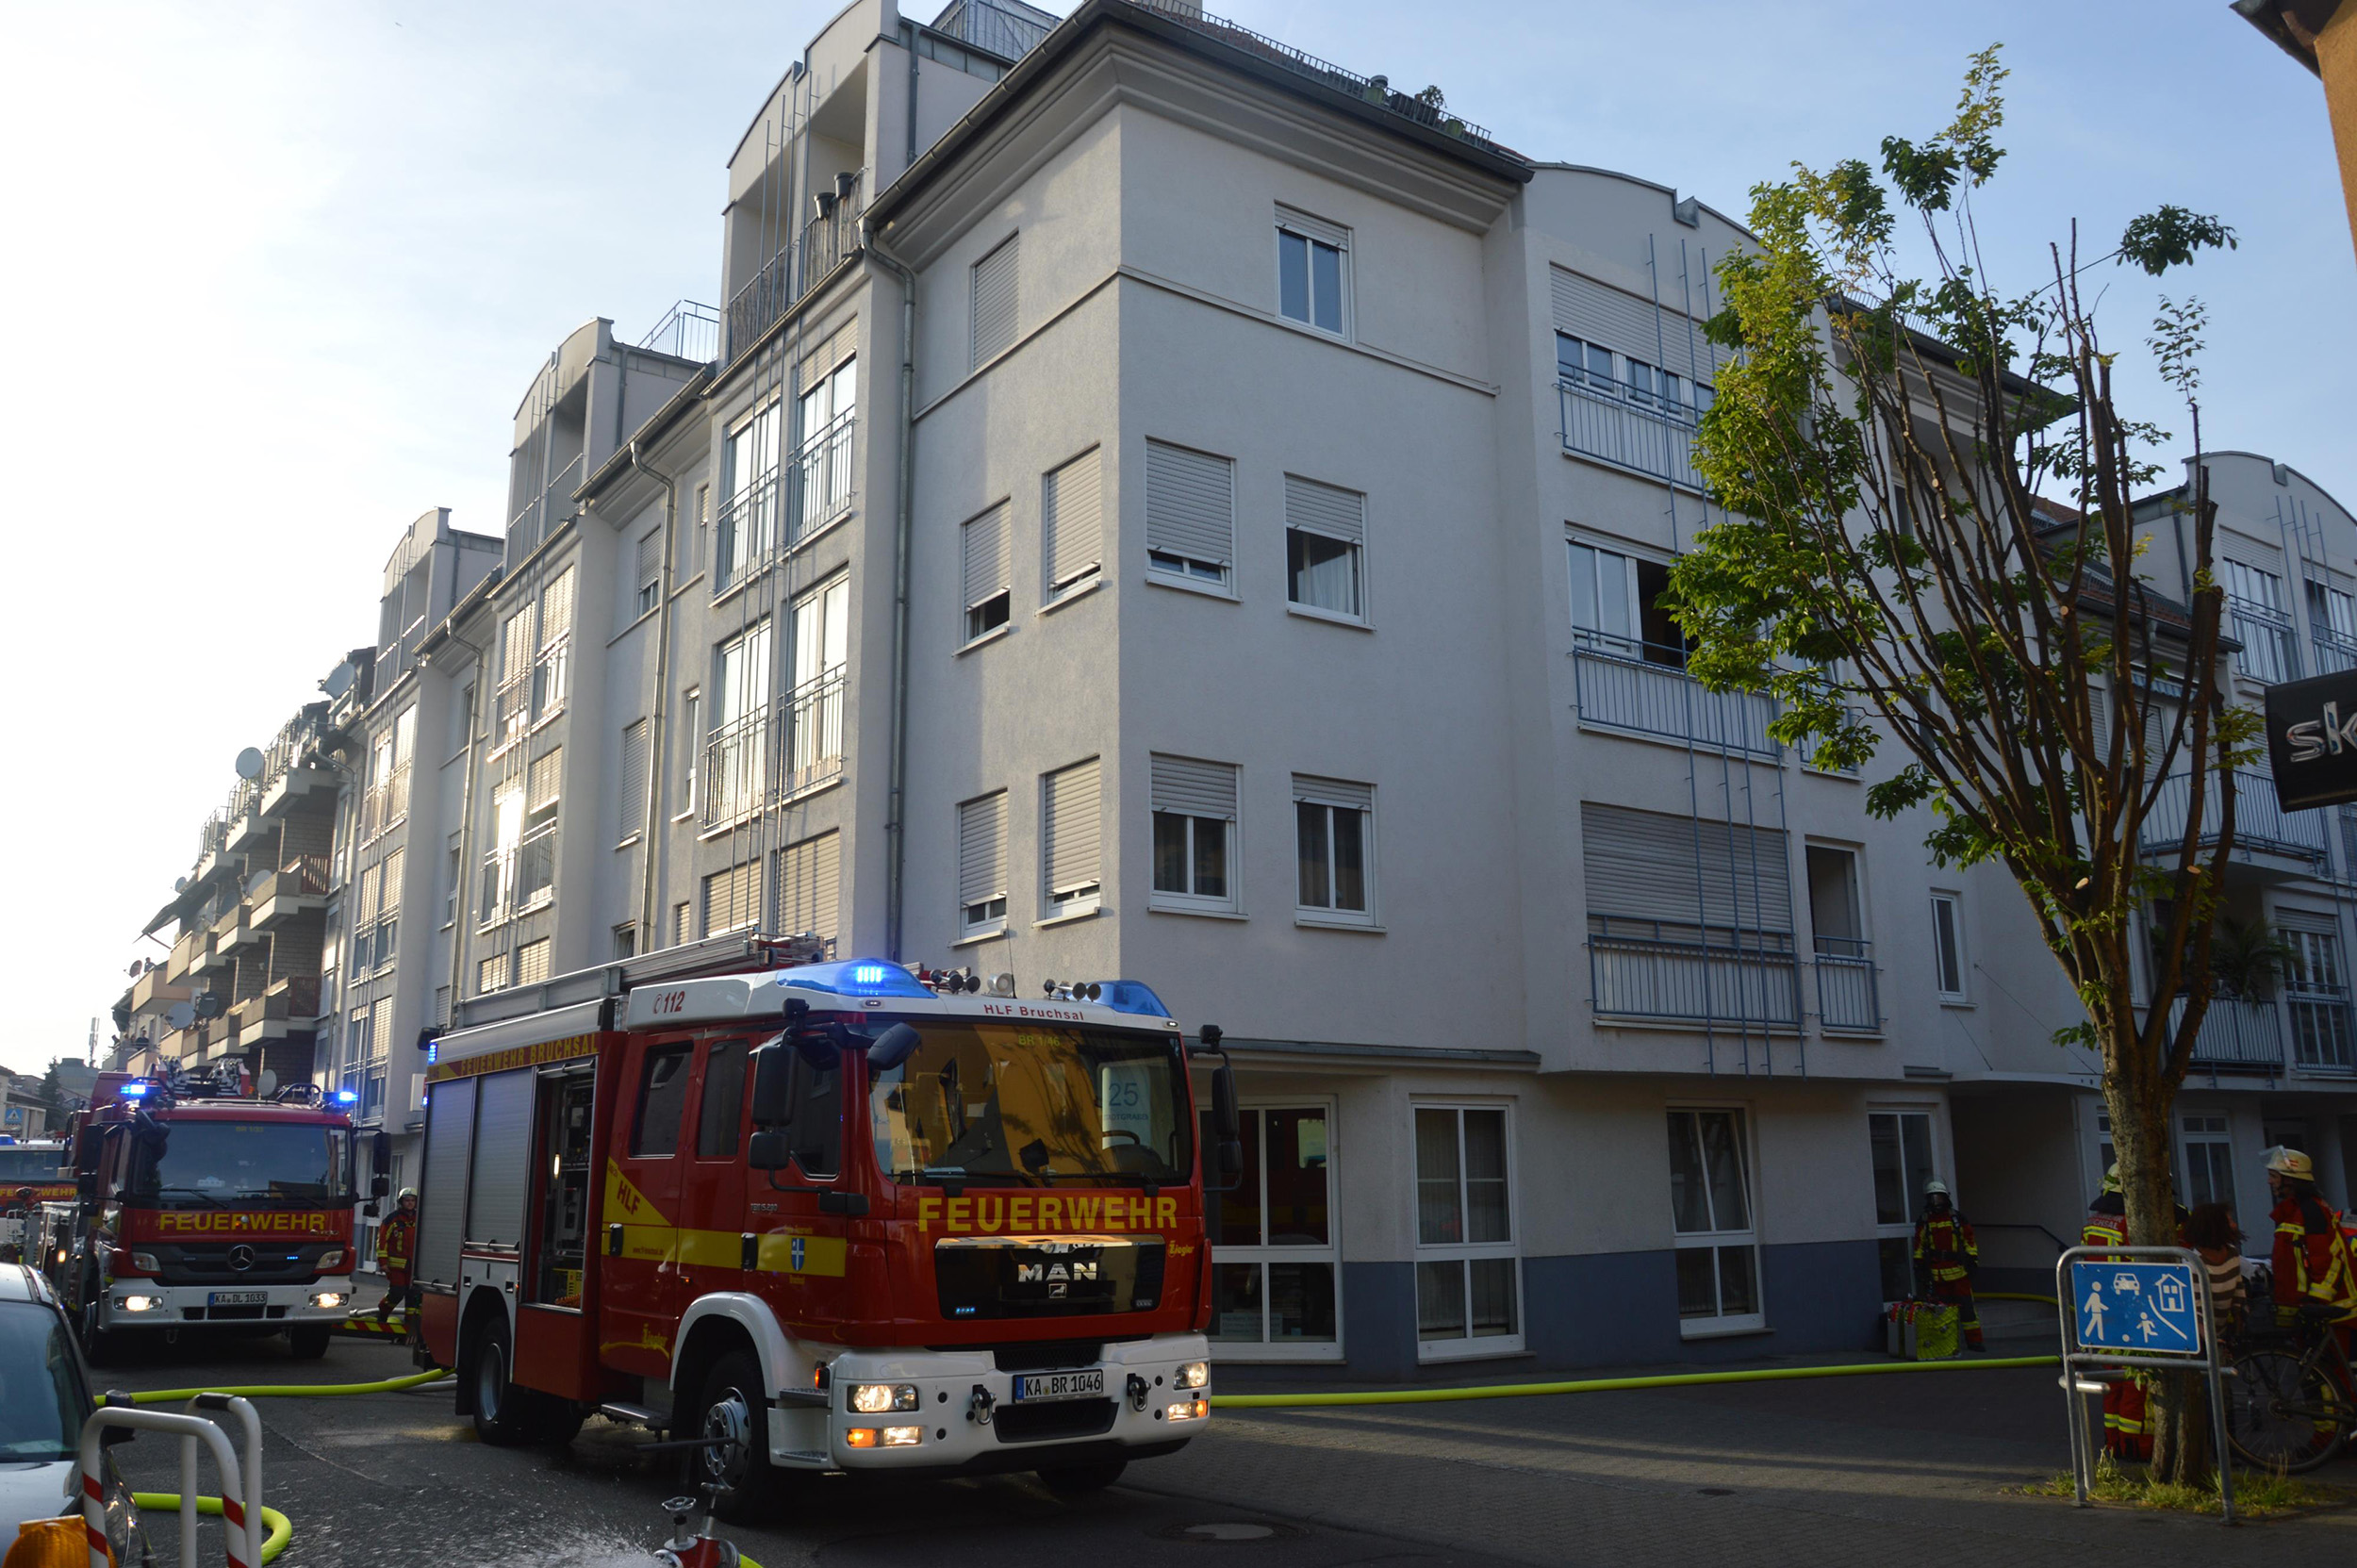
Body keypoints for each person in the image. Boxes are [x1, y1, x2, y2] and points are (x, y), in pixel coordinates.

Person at [2264, 1147, 2357, 1356]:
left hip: (2333, 1312)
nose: (2270, 1182)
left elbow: (2327, 1260)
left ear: (2290, 1179)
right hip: (2308, 1309)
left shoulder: (2310, 1211)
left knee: (2331, 1378)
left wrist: (2317, 1304)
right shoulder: (2295, 1211)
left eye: (2273, 1176)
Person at [1911, 1180, 1983, 1352]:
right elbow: (1919, 1245)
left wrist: (1973, 1260)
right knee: (1941, 1313)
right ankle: (1945, 1344)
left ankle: (1975, 1342)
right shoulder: (1925, 1221)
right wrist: (1919, 1265)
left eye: (1939, 1198)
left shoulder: (1956, 1218)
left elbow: (1969, 1241)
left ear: (1946, 1198)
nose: (1936, 1203)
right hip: (1937, 1275)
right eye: (1933, 1199)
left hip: (1959, 1273)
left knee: (1967, 1311)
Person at [2184, 1201, 2246, 1342]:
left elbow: (2238, 1289)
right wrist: (2211, 1340)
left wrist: (2238, 1316)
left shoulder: (2232, 1253)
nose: (2234, 1225)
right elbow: (2195, 1309)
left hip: (2223, 1331)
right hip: (2201, 1337)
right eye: (2229, 1221)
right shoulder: (2194, 1264)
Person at [375, 1187, 419, 1329]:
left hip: (414, 1267)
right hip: (396, 1267)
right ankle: (382, 1315)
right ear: (401, 1202)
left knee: (413, 1298)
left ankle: (409, 1328)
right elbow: (382, 1241)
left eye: (412, 1200)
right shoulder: (392, 1219)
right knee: (396, 1293)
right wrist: (383, 1263)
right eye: (407, 1200)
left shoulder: (420, 1218)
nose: (410, 1203)